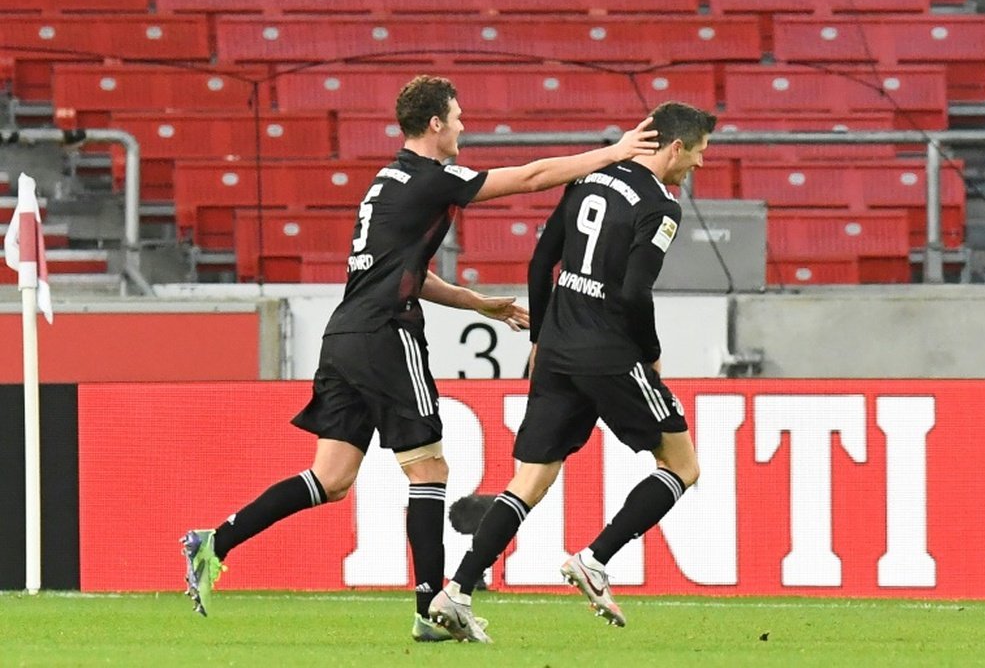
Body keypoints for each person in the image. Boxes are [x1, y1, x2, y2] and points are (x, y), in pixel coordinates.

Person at [180, 74, 659, 642]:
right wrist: (615, 152)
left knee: (331, 479)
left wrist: (478, 304)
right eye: (457, 117)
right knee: (429, 471)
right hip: (387, 333)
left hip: (345, 335)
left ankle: (214, 542)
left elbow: (405, 270)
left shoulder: (389, 179)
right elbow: (527, 177)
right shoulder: (432, 179)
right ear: (435, 124)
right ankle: (433, 609)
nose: (463, 126)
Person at [428, 101, 717, 643]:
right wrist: (650, 352)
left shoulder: (592, 175)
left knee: (531, 478)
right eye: (700, 152)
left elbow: (541, 263)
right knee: (681, 465)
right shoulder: (661, 206)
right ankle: (595, 559)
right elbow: (633, 291)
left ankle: (457, 591)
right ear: (676, 147)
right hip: (608, 351)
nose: (699, 164)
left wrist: (540, 338)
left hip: (558, 347)